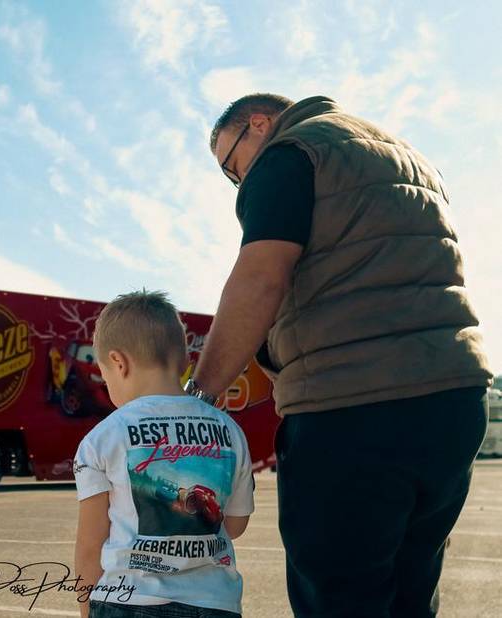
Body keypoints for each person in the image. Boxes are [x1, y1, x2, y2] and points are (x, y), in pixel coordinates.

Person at [189, 93, 493, 617]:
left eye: (231, 167)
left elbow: (261, 277)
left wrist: (199, 396)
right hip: (455, 401)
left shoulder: (290, 154)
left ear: (257, 125)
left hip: (353, 407)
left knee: (340, 596)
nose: (238, 182)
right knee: (410, 591)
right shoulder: (410, 158)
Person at [73, 291, 255, 618]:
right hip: (214, 603)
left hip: (124, 601)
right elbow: (236, 525)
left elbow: (90, 545)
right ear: (185, 361)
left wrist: (86, 609)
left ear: (118, 363)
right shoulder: (230, 430)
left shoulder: (102, 438)